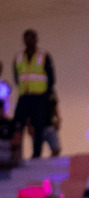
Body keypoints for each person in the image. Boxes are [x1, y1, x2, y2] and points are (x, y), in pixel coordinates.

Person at [12, 29, 55, 159]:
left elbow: (51, 78)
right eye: (26, 38)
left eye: (31, 38)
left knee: (38, 126)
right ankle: (16, 154)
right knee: (17, 124)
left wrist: (45, 95)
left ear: (36, 39)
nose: (28, 40)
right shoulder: (18, 57)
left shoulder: (44, 56)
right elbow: (16, 77)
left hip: (39, 97)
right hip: (24, 96)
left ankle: (36, 154)